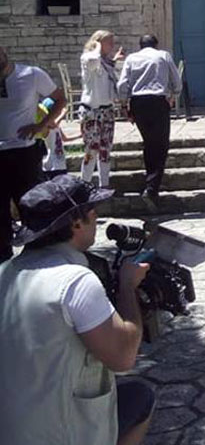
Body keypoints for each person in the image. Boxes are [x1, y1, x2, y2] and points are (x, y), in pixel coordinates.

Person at [0, 174, 154, 445]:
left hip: (11, 430)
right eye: (92, 212)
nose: (97, 218)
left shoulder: (4, 272)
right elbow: (123, 357)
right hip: (59, 435)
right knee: (142, 396)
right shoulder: (74, 281)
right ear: (76, 223)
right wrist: (127, 286)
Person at [0, 46, 66, 262]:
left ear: (3, 52)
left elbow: (60, 99)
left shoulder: (31, 75)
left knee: (30, 206)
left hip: (24, 152)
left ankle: (38, 257)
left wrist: (41, 125)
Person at [117, 35, 182, 212]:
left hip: (138, 103)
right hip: (157, 101)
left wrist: (124, 104)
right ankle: (152, 189)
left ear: (140, 46)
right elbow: (176, 80)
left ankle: (151, 183)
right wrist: (173, 95)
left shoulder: (131, 58)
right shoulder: (163, 55)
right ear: (156, 45)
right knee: (160, 145)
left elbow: (122, 84)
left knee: (149, 142)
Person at [80, 30, 124, 188]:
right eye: (108, 42)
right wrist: (97, 46)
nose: (112, 45)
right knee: (91, 150)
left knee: (105, 150)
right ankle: (84, 184)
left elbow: (116, 80)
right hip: (92, 111)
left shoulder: (107, 63)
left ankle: (104, 185)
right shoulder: (88, 58)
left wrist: (116, 62)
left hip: (107, 110)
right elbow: (94, 61)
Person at [41, 98, 76, 180]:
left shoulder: (57, 126)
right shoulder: (46, 127)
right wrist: (63, 114)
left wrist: (80, 136)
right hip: (51, 166)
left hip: (61, 164)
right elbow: (53, 124)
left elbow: (65, 139)